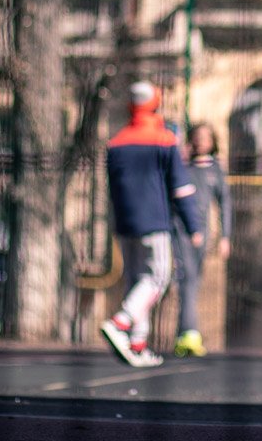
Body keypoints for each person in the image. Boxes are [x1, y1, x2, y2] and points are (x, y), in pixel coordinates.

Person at [101, 81, 203, 368]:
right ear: (156, 105)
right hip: (154, 221)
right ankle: (120, 323)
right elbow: (180, 188)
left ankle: (137, 344)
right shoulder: (164, 140)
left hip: (124, 223)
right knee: (157, 278)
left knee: (137, 282)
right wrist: (193, 226)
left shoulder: (116, 142)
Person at [171, 122, 233, 358]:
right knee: (187, 279)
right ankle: (190, 333)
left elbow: (225, 203)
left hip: (202, 234)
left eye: (206, 137)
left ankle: (183, 334)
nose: (200, 141)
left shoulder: (216, 170)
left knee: (193, 281)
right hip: (180, 230)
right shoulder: (182, 167)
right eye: (197, 137)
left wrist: (225, 237)